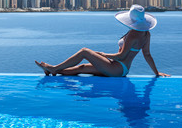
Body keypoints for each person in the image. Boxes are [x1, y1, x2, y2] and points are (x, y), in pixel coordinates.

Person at [35, 5, 170, 77]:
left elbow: (122, 56)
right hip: (121, 69)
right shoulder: (146, 34)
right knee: (80, 68)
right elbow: (147, 55)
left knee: (84, 51)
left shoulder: (133, 35)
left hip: (116, 68)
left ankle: (53, 68)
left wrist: (102, 54)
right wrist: (156, 73)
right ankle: (52, 71)